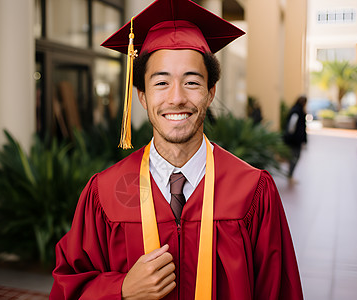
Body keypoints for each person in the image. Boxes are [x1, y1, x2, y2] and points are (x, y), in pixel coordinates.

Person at [50, 0, 303, 299]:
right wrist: (121, 289)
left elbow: (279, 290)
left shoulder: (252, 191)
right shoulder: (104, 193)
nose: (177, 98)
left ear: (210, 93)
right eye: (161, 83)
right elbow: (68, 288)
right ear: (142, 96)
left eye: (192, 82)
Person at [283, 96, 307, 184]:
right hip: (294, 140)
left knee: (294, 157)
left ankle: (290, 175)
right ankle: (290, 175)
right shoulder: (297, 111)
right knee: (294, 157)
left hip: (295, 140)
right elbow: (291, 126)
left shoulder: (296, 110)